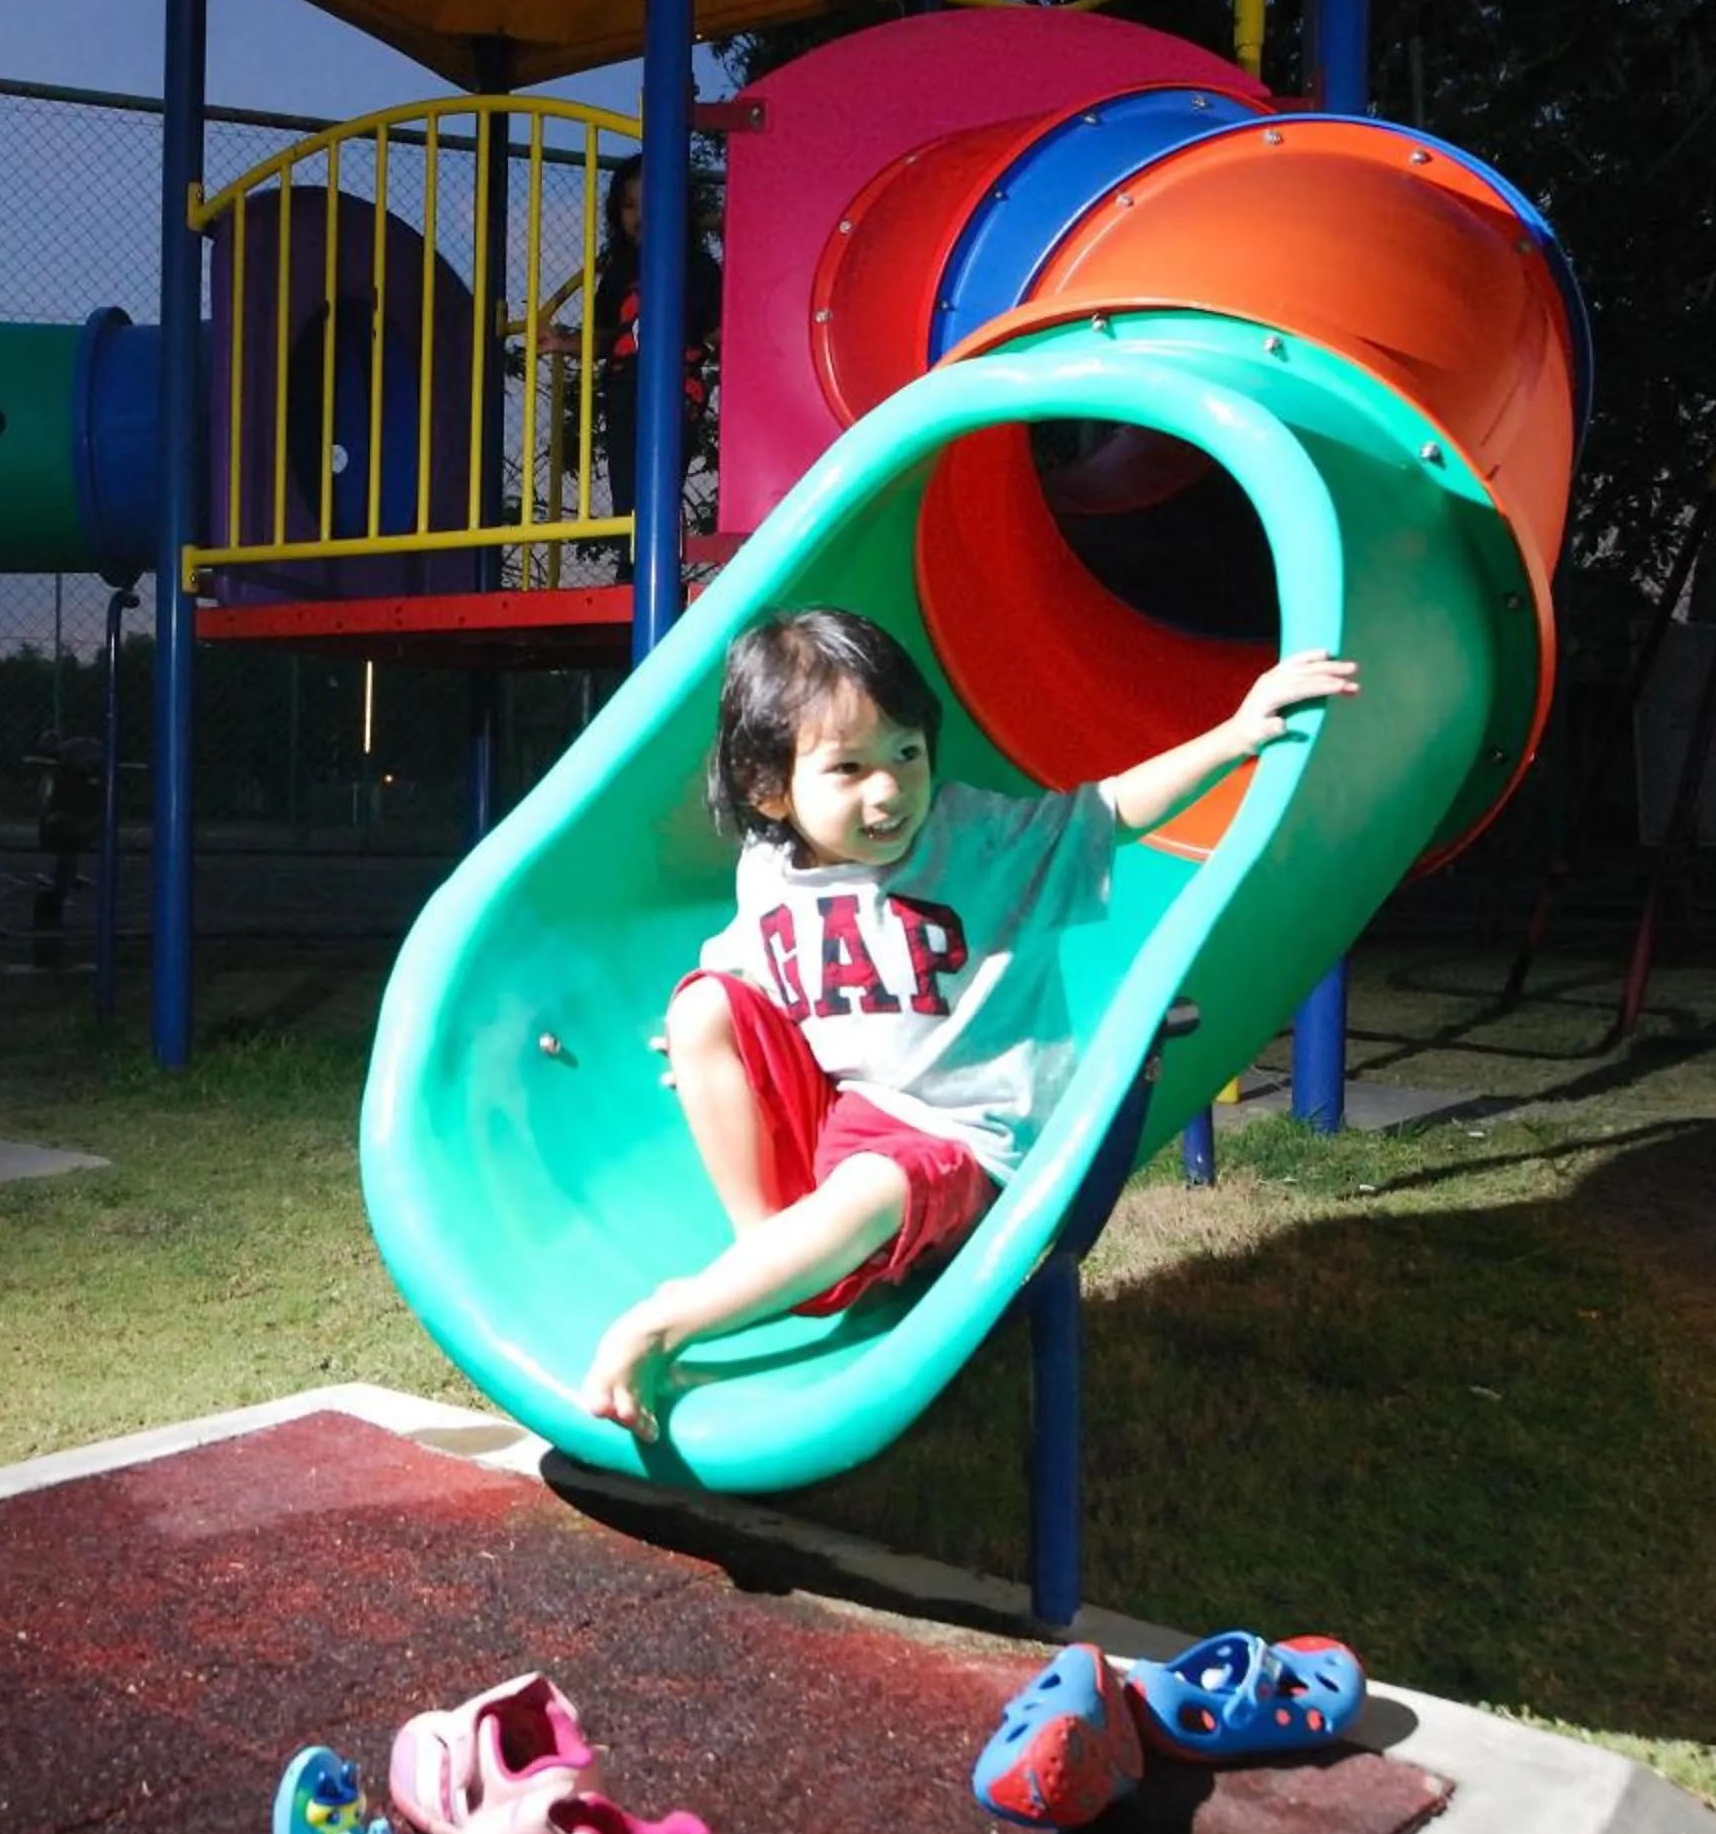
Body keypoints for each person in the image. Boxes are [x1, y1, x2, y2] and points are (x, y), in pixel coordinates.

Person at [578, 608, 1359, 1441]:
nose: (889, 791)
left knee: (874, 1186)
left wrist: (1236, 734)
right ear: (770, 787)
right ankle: (761, 1254)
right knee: (699, 1004)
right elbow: (748, 977)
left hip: (963, 1139)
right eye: (847, 768)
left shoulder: (973, 841)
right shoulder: (769, 872)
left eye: (905, 754)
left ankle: (675, 1321)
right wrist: (715, 1045)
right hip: (852, 1119)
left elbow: (1114, 810)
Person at [540, 152, 724, 553]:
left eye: (649, 203)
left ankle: (657, 555)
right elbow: (607, 339)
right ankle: (633, 556)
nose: (639, 215)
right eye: (628, 206)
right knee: (625, 474)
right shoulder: (620, 270)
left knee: (661, 475)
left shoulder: (698, 268)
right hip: (625, 388)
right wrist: (563, 344)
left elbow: (715, 331)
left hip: (678, 385)